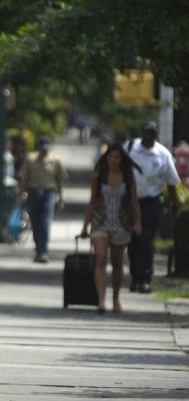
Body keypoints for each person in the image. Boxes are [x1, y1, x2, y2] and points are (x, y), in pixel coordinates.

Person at [81, 144, 143, 313]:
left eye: (117, 157)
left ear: (122, 160)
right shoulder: (99, 176)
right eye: (110, 157)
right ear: (106, 159)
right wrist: (85, 226)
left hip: (121, 224)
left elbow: (134, 201)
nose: (113, 160)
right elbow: (92, 201)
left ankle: (115, 298)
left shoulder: (128, 177)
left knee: (117, 263)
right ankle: (101, 300)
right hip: (100, 222)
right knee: (100, 258)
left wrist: (137, 222)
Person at [126, 122, 180, 293]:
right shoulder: (130, 148)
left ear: (156, 135)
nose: (149, 136)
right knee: (133, 240)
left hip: (151, 202)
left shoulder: (162, 154)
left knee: (147, 240)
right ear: (142, 133)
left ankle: (145, 279)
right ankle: (135, 278)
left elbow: (171, 182)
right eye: (147, 133)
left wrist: (175, 204)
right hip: (131, 201)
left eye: (152, 134)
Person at [17, 136, 68, 263]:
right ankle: (38, 248)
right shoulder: (30, 159)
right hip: (33, 192)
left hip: (49, 193)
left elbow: (60, 180)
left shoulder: (55, 160)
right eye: (42, 149)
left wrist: (61, 199)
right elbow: (23, 178)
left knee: (45, 222)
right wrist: (21, 193)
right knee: (35, 222)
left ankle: (43, 251)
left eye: (46, 149)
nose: (44, 152)